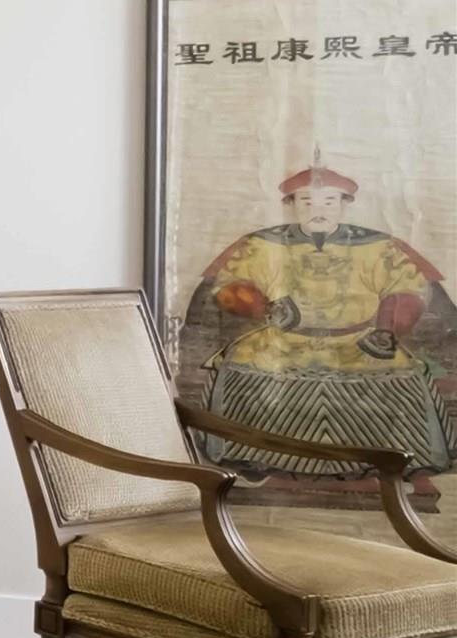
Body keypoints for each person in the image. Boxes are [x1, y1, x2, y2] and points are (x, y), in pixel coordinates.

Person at [179, 164, 457, 483]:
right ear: (292, 205)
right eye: (307, 202)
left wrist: (386, 328)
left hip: (360, 341)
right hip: (281, 339)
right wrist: (264, 306)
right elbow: (229, 286)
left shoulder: (379, 246)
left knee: (402, 376)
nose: (318, 210)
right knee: (241, 369)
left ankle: (397, 459)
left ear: (343, 204)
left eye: (328, 202)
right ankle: (252, 456)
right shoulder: (260, 244)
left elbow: (406, 288)